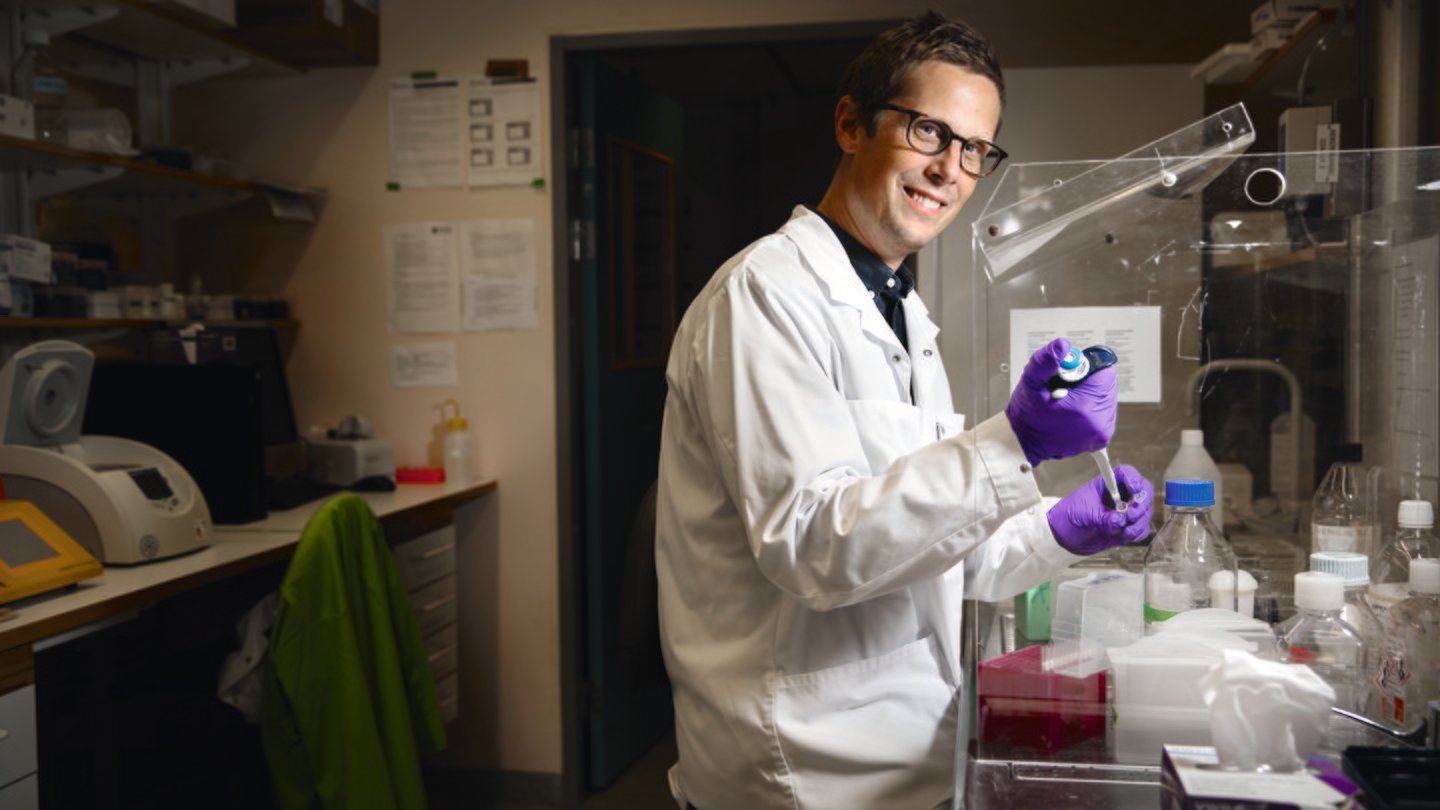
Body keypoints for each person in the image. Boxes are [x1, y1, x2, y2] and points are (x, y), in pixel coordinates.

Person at [654, 11, 1153, 810]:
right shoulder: (764, 298)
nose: (951, 169)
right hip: (799, 769)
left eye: (975, 150)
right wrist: (1014, 442)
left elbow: (933, 551)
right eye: (929, 131)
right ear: (852, 124)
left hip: (899, 751)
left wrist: (1060, 528)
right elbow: (814, 545)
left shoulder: (902, 317)